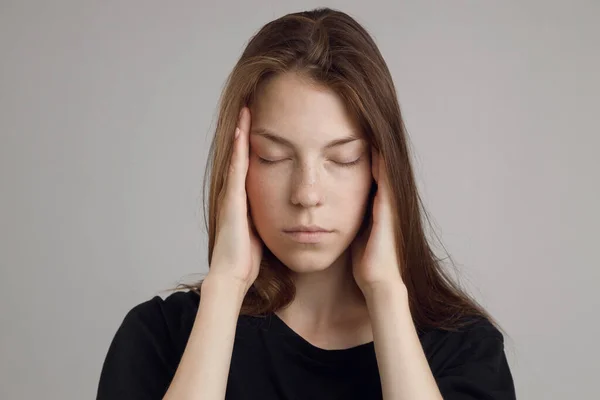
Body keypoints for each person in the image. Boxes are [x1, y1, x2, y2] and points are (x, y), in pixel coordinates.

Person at [97, 7, 516, 400]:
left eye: (343, 158)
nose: (306, 194)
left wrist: (386, 292)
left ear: (383, 170)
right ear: (237, 164)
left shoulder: (466, 349)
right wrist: (224, 288)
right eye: (273, 157)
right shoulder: (159, 337)